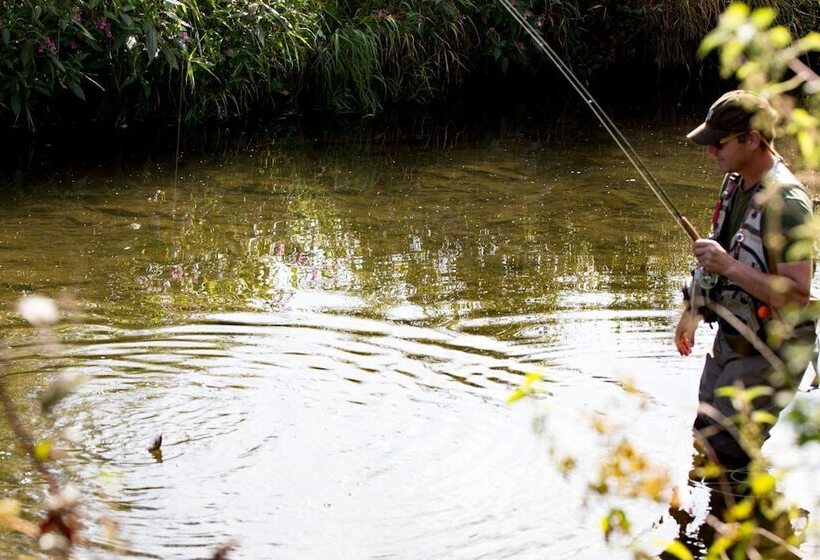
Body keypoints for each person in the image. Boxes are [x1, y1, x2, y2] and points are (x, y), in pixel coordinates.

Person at [674, 90, 817, 473]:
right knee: (705, 436)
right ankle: (716, 526)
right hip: (736, 338)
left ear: (752, 140)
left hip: (774, 350)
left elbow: (798, 296)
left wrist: (730, 267)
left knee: (728, 452)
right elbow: (717, 259)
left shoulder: (787, 205)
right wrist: (691, 310)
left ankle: (752, 527)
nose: (710, 152)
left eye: (719, 143)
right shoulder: (736, 183)